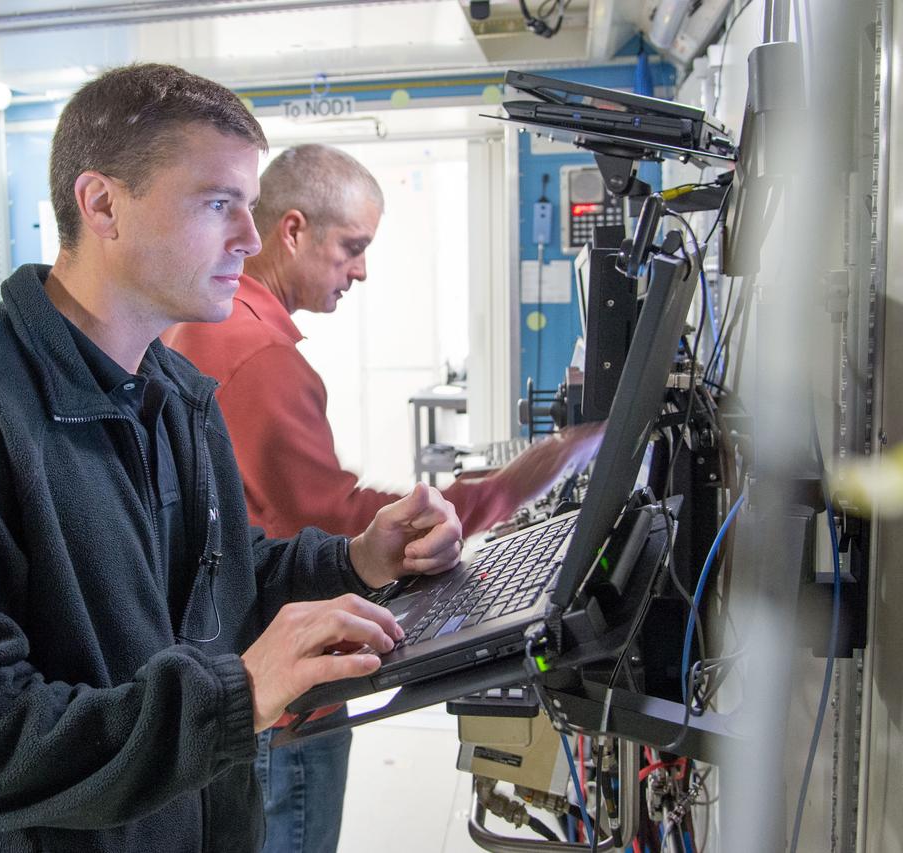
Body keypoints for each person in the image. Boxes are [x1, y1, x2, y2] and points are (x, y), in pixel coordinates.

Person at [0, 63, 463, 853]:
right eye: (217, 204)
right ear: (101, 204)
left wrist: (357, 558)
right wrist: (231, 697)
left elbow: (217, 585)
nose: (252, 238)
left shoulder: (172, 394)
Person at [165, 143, 603, 853]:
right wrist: (503, 490)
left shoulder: (208, 326)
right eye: (352, 247)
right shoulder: (261, 357)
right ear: (294, 229)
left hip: (226, 672)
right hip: (285, 693)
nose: (361, 269)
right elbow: (331, 524)